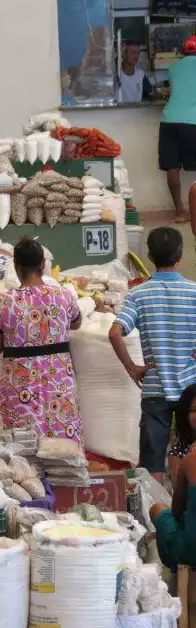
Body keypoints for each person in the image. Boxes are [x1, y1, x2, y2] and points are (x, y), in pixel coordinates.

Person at [0, 238, 83, 446]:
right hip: (59, 386)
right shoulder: (63, 295)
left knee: (25, 452)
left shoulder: (6, 301)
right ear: (43, 264)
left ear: (16, 267)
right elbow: (77, 323)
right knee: (63, 450)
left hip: (21, 390)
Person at [110, 227, 196, 478]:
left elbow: (115, 333)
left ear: (149, 255)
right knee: (190, 454)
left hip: (155, 389)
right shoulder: (194, 292)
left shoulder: (138, 294)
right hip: (191, 393)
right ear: (180, 255)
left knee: (153, 465)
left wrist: (132, 368)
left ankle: (157, 510)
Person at [150, 386, 196, 570]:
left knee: (157, 509)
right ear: (184, 414)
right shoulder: (180, 453)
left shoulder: (189, 458)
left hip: (191, 548)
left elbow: (178, 508)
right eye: (193, 410)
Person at [159, 35, 196, 223]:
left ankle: (180, 212)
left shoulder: (173, 67)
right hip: (193, 122)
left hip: (169, 121)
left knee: (172, 167)